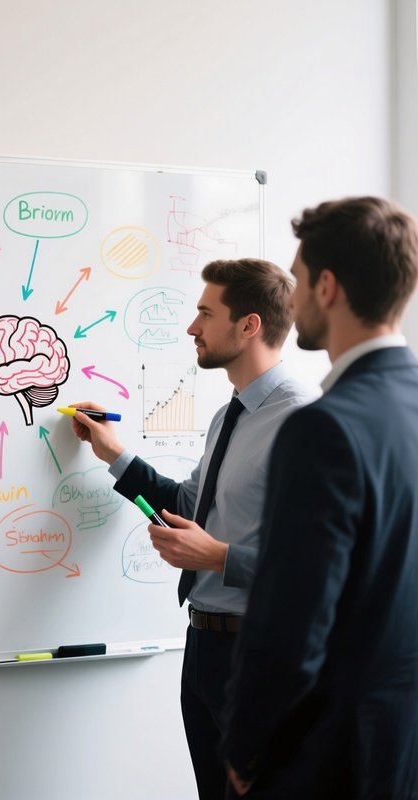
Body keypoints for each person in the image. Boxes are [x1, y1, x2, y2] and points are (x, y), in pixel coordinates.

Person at [67, 258, 315, 800]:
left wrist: (219, 556)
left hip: (260, 654)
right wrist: (115, 455)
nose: (191, 327)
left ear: (248, 325)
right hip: (203, 648)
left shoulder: (303, 423)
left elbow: (315, 568)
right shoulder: (230, 417)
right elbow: (187, 504)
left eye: (205, 312)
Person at [222, 197, 418, 798]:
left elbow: (291, 620)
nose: (293, 297)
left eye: (299, 281)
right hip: (401, 743)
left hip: (325, 755)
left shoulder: (321, 428)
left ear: (327, 287)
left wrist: (244, 750)